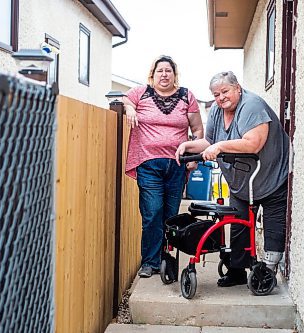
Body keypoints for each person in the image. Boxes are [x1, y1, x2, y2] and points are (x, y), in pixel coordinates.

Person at [175, 71, 289, 287]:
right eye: (216, 94)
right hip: (242, 183)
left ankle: (268, 271)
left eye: (224, 91)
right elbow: (209, 141)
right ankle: (236, 272)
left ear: (237, 87)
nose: (220, 98)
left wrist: (220, 147)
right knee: (237, 225)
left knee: (273, 226)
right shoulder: (218, 110)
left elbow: (253, 143)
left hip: (270, 177)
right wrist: (187, 145)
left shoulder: (252, 106)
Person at [123, 55, 204, 278]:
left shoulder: (187, 96)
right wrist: (130, 109)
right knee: (152, 212)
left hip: (177, 165)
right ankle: (150, 262)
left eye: (168, 71)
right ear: (153, 74)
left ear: (174, 75)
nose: (164, 74)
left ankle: (166, 258)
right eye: (160, 71)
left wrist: (194, 155)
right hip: (148, 163)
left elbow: (197, 130)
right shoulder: (141, 93)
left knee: (170, 214)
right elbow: (125, 99)